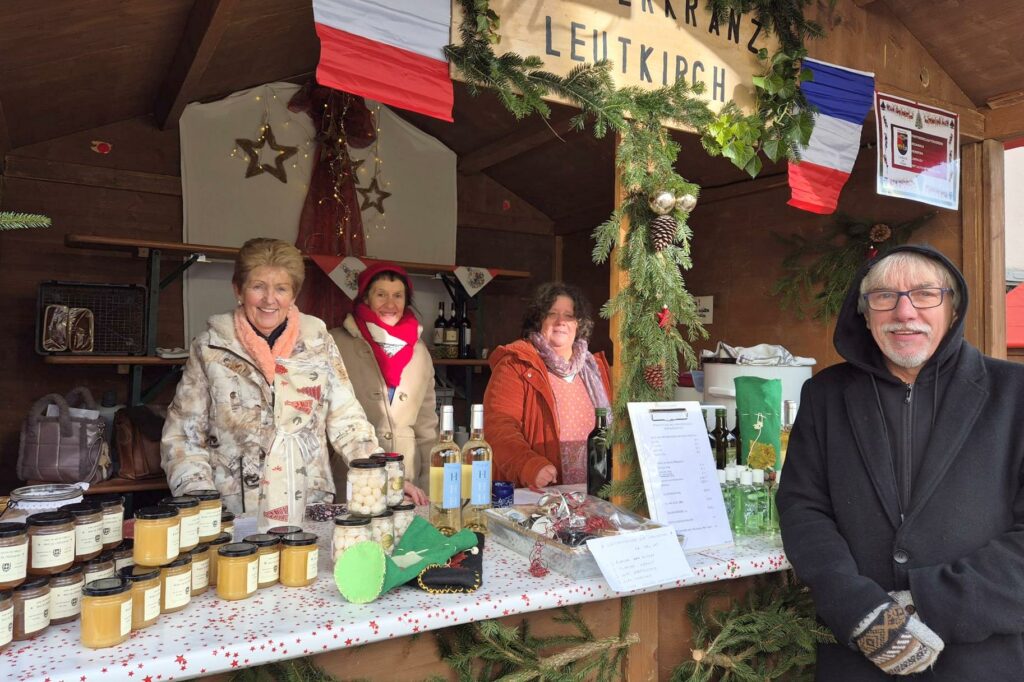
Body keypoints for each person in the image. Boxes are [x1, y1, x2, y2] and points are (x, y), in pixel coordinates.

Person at [778, 245, 1024, 680]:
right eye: (884, 297)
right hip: (856, 658)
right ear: (865, 314)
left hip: (981, 658)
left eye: (925, 294)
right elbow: (803, 509)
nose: (904, 312)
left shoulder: (1014, 393)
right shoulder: (825, 395)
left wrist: (927, 605)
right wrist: (862, 613)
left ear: (953, 308)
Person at [162, 238, 381, 528]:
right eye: (258, 287)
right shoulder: (210, 348)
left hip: (308, 508)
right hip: (234, 514)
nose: (269, 299)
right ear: (238, 290)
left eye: (281, 288)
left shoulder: (317, 343)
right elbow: (183, 436)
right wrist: (201, 503)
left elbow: (347, 420)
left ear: (294, 294)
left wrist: (381, 476)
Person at [484, 282, 612, 488]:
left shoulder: (596, 369)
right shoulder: (516, 364)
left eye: (569, 316)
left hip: (595, 491)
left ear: (578, 324)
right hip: (539, 493)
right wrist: (529, 465)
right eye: (552, 314)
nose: (561, 321)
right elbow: (498, 427)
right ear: (539, 321)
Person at [329, 262, 432, 504]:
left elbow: (427, 426)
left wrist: (429, 483)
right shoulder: (336, 342)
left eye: (398, 296)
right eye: (381, 294)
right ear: (366, 298)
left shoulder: (419, 350)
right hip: (354, 477)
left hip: (409, 478)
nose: (390, 304)